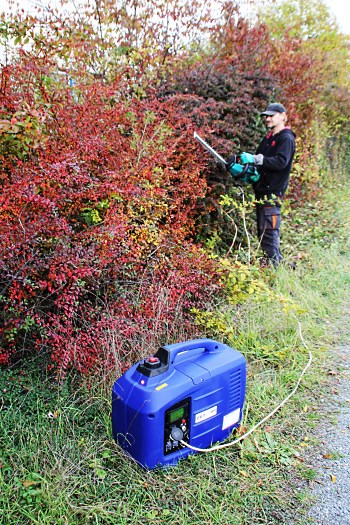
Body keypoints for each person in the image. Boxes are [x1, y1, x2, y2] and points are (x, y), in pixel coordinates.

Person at [240, 102, 296, 266]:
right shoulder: (268, 138)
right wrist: (248, 171)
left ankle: (275, 271)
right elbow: (259, 160)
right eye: (266, 116)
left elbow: (281, 162)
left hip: (273, 193)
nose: (268, 119)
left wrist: (256, 159)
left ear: (283, 116)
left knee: (270, 232)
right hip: (262, 190)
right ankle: (277, 266)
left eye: (272, 115)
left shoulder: (286, 138)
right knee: (263, 232)